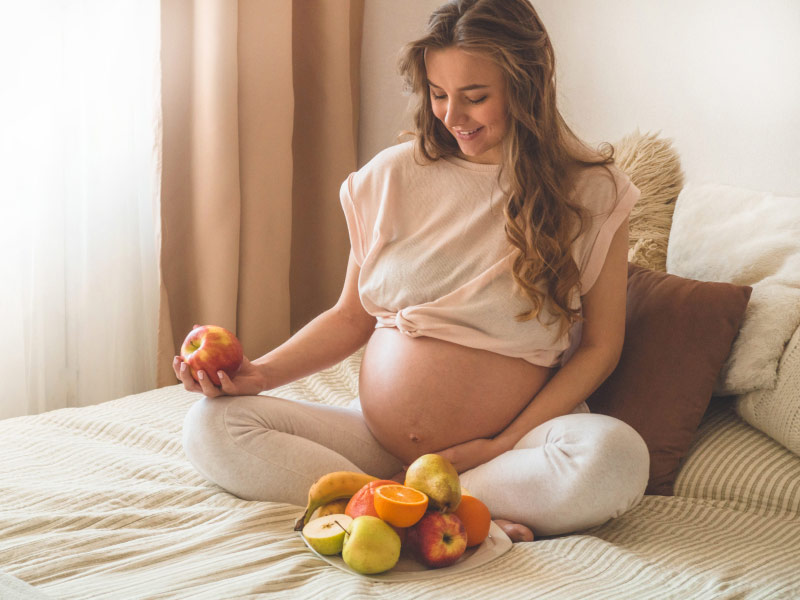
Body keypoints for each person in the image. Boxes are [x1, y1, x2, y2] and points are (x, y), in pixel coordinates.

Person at [177, 0, 649, 542]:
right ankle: (430, 510)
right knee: (212, 426)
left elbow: (600, 348)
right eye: (439, 93)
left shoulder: (591, 192)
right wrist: (257, 374)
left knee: (615, 457)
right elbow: (350, 318)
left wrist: (500, 445)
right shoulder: (391, 177)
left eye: (475, 97)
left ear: (529, 85)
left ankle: (404, 505)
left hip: (505, 447)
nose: (453, 116)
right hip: (377, 441)